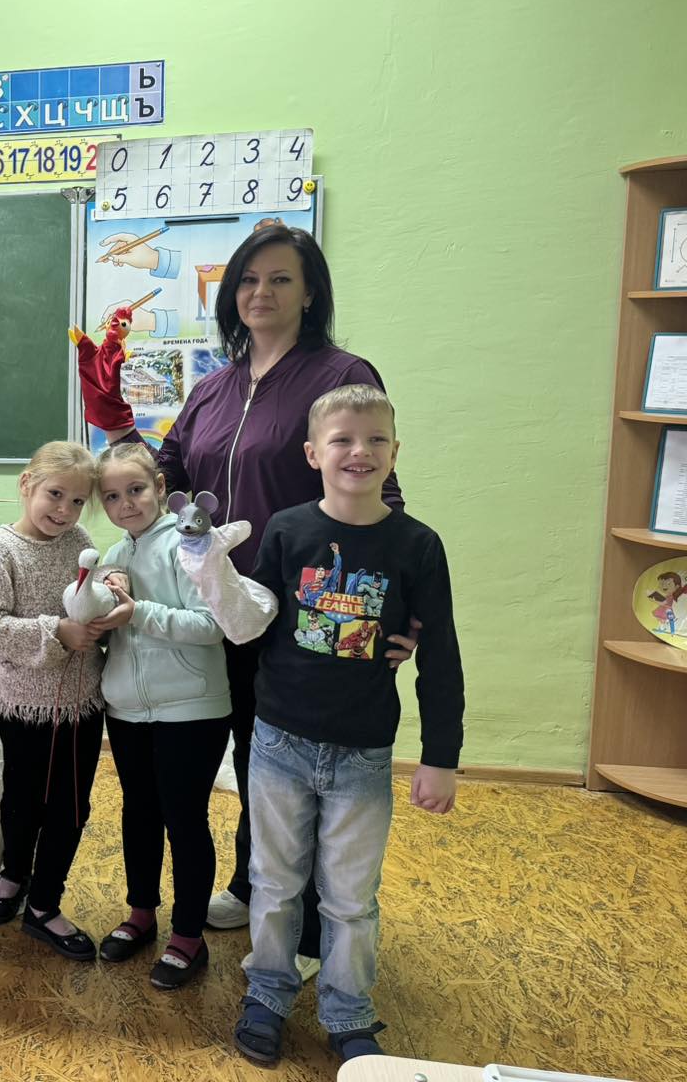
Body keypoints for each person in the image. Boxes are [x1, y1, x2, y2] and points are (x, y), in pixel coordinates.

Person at [147, 223, 414, 971]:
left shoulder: (341, 374)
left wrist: (396, 610)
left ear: (310, 292)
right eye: (247, 279)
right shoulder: (213, 385)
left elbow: (382, 497)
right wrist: (160, 505)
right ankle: (250, 882)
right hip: (211, 605)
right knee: (246, 753)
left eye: (279, 279)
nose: (260, 292)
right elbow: (170, 467)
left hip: (301, 613)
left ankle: (306, 926)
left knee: (292, 767)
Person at [233, 383, 463, 1066]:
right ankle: (267, 993)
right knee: (274, 882)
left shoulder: (418, 545)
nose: (359, 451)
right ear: (313, 453)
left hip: (363, 750)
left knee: (351, 897)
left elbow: (441, 653)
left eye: (376, 439)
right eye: (342, 440)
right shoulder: (286, 530)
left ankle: (348, 1009)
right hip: (278, 740)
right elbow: (254, 622)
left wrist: (440, 756)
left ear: (395, 452)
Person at [0, 441, 116, 960]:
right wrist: (57, 632)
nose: (65, 510)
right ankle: (14, 874)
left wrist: (107, 599)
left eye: (77, 501)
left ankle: (44, 904)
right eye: (55, 494)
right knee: (21, 801)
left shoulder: (79, 540)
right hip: (24, 708)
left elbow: (90, 598)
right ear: (27, 484)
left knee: (68, 810)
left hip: (80, 707)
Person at [93, 441, 230, 988]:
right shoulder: (111, 555)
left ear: (159, 486)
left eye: (135, 490)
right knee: (139, 813)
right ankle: (141, 914)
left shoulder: (192, 544)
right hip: (128, 710)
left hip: (191, 708)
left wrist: (137, 612)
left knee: (185, 819)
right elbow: (114, 634)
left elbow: (213, 626)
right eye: (111, 496)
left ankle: (189, 937)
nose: (125, 503)